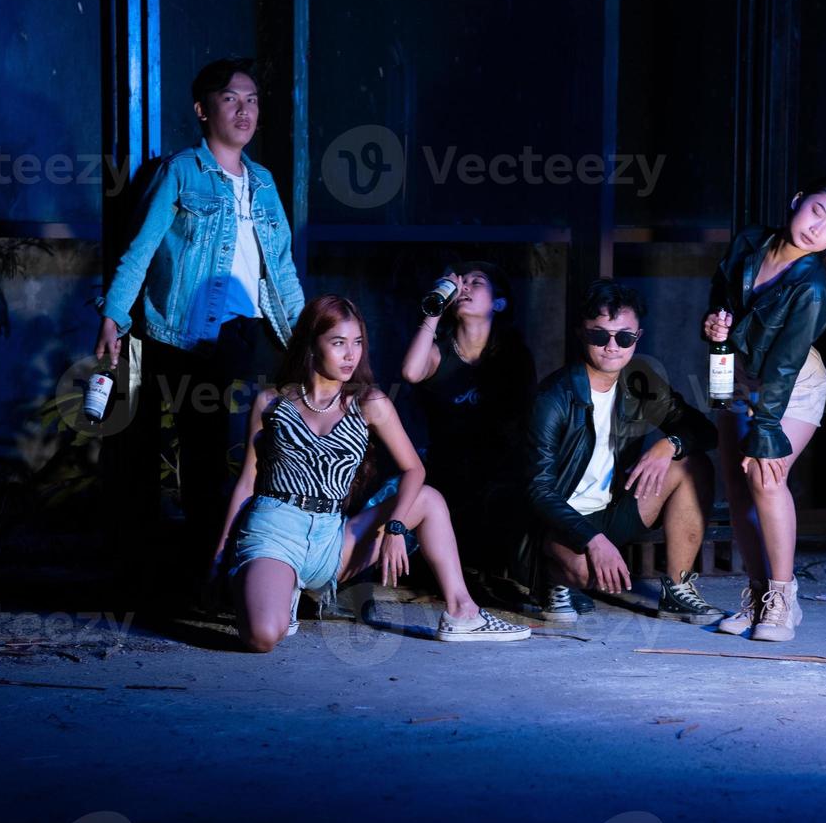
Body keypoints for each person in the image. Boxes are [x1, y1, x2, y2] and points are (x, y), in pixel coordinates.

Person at [214, 294, 532, 653]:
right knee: (261, 637)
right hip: (274, 530)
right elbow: (247, 482)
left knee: (427, 497)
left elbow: (414, 469)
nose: (352, 355)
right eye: (338, 343)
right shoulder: (271, 401)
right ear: (311, 344)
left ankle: (463, 613)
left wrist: (396, 526)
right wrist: (222, 551)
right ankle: (278, 590)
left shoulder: (370, 403)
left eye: (358, 343)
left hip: (332, 539)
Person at [93, 57, 305, 576]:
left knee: (251, 452)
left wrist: (310, 336)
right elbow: (140, 248)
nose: (244, 110)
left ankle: (247, 566)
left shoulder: (264, 182)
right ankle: (182, 573)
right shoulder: (180, 172)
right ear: (202, 110)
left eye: (252, 99)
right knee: (190, 454)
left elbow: (281, 269)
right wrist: (115, 315)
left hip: (253, 333)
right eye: (231, 98)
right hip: (184, 335)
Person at [704, 175, 826, 643]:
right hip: (740, 380)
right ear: (797, 200)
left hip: (792, 389)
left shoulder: (812, 289)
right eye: (816, 213)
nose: (817, 230)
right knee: (737, 490)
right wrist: (715, 328)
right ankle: (758, 595)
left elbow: (784, 368)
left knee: (767, 480)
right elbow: (723, 303)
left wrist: (766, 434)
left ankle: (784, 603)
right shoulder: (750, 240)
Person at [525, 280, 720, 625]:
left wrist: (668, 444)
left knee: (693, 464)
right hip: (557, 522)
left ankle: (677, 590)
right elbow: (538, 490)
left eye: (624, 337)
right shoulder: (554, 398)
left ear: (637, 337)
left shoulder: (639, 381)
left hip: (613, 509)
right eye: (600, 336)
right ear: (581, 334)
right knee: (592, 578)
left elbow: (704, 430)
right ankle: (552, 578)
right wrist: (593, 539)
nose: (612, 347)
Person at [400, 261, 537, 599]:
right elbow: (410, 372)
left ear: (498, 302)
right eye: (461, 283)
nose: (465, 287)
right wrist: (434, 308)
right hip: (447, 475)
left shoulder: (513, 356)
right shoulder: (439, 352)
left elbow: (521, 426)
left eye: (478, 282)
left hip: (498, 477)